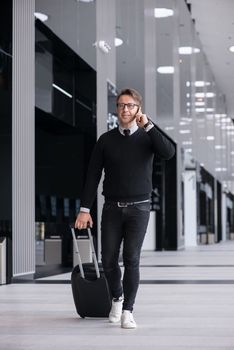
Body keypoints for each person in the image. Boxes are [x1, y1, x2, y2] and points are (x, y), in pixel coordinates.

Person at [75, 88, 175, 329]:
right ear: (117, 109)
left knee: (131, 258)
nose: (125, 109)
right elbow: (92, 175)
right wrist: (85, 208)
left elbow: (168, 153)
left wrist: (148, 126)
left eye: (130, 105)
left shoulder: (148, 136)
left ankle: (128, 310)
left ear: (138, 108)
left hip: (139, 209)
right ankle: (117, 298)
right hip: (112, 208)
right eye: (121, 105)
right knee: (108, 259)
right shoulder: (106, 140)